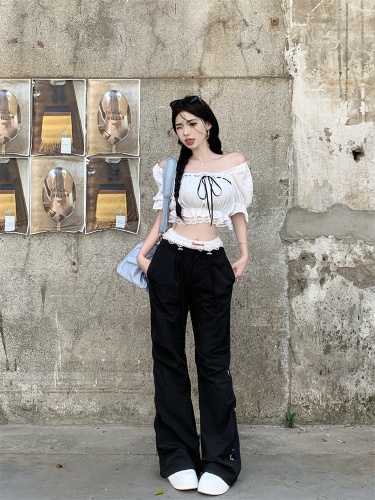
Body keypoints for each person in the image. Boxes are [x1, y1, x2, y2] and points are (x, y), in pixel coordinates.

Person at [137, 95, 253, 496]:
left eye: (192, 124)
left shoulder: (232, 163)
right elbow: (162, 214)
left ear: (207, 125)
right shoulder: (171, 168)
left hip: (212, 263)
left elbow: (237, 210)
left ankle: (221, 460)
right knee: (168, 357)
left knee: (213, 361)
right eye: (179, 126)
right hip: (169, 259)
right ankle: (177, 455)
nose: (185, 132)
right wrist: (143, 253)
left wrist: (243, 254)